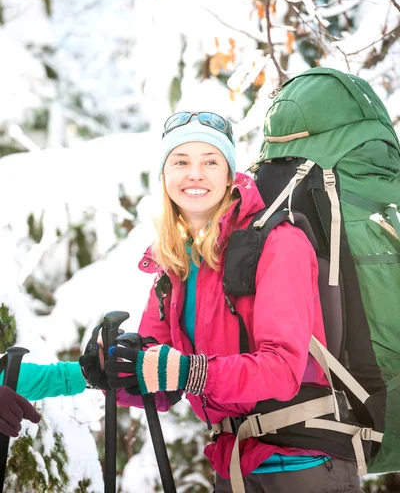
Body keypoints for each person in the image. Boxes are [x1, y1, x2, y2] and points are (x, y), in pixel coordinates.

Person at [80, 111, 363, 493]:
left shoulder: (279, 243)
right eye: (180, 161)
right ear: (165, 177)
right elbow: (163, 380)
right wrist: (113, 370)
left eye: (210, 162)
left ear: (230, 175)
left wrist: (189, 372)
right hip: (233, 465)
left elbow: (281, 370)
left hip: (305, 464)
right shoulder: (176, 265)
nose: (194, 174)